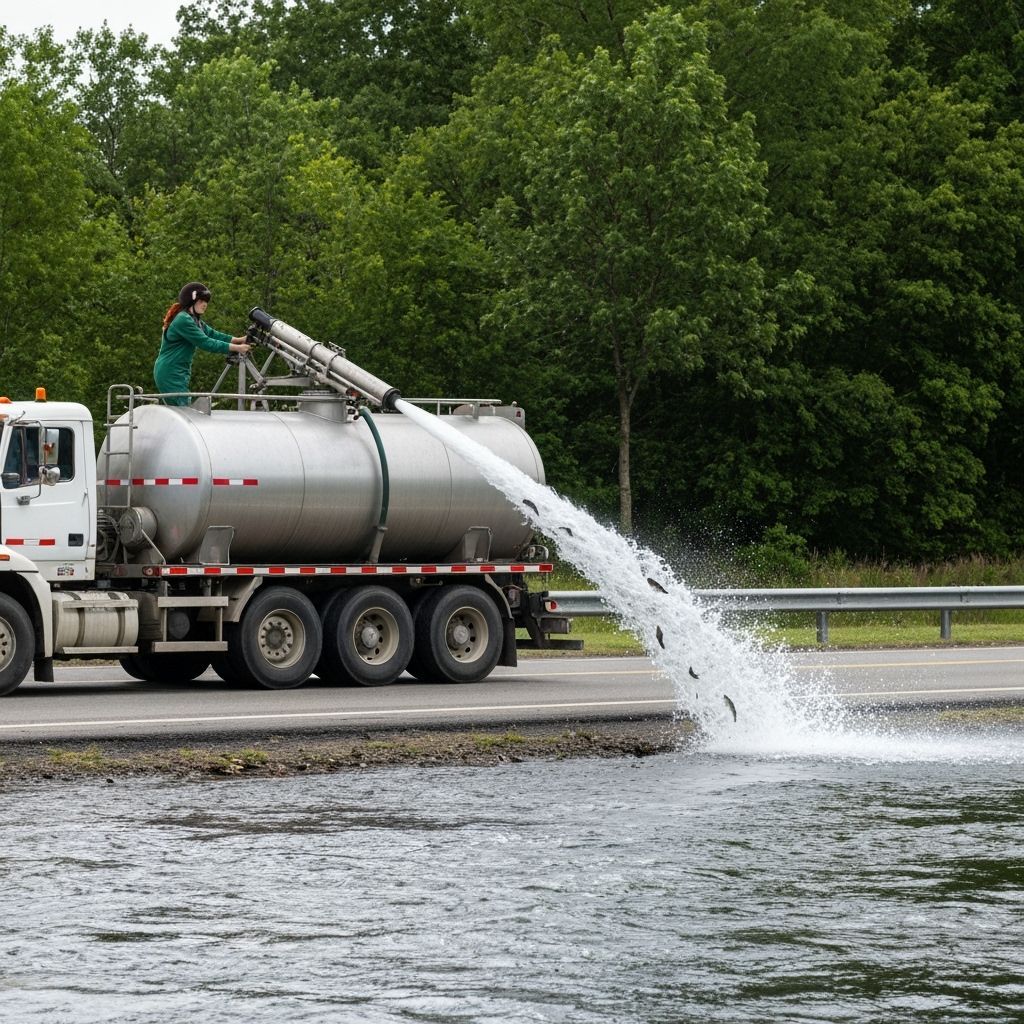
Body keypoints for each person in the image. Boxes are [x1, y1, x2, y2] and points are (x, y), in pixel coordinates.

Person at [154, 282, 251, 406]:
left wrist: (239, 340)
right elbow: (205, 342)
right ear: (191, 301)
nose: (205, 304)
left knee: (182, 408)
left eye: (206, 302)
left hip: (179, 371)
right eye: (201, 301)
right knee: (182, 409)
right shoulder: (183, 320)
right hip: (171, 372)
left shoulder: (193, 319)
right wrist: (238, 348)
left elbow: (212, 334)